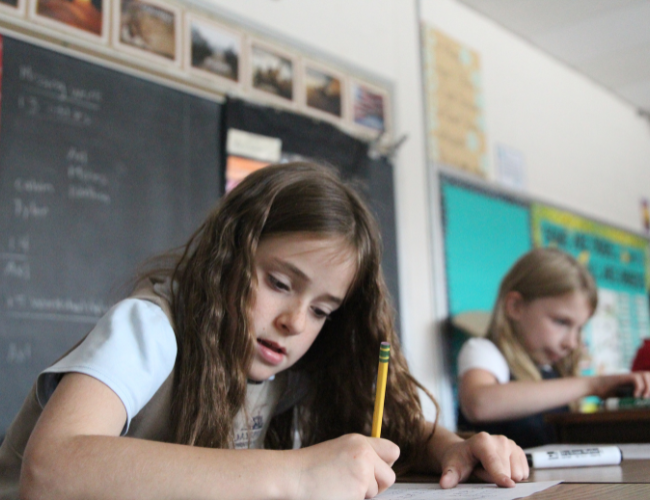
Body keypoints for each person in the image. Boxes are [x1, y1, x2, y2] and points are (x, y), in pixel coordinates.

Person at [0, 162, 527, 500]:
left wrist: (448, 448)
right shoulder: (152, 326)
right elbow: (51, 470)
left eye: (322, 310)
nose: (295, 322)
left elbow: (386, 428)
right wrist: (294, 474)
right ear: (227, 255)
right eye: (278, 282)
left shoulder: (285, 366)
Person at [457, 247, 650, 448]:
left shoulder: (554, 369)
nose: (571, 343)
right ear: (515, 306)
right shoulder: (484, 352)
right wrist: (593, 385)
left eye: (579, 328)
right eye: (561, 322)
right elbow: (479, 404)